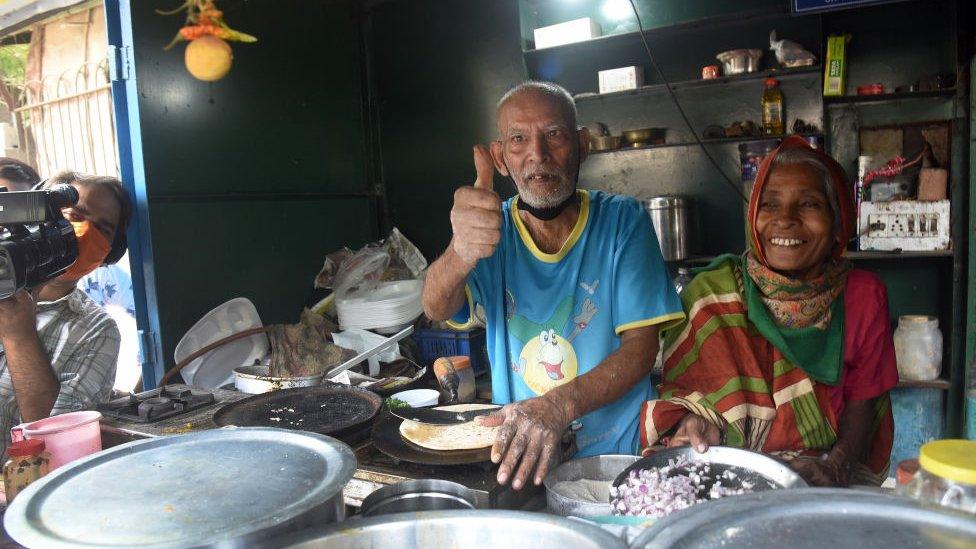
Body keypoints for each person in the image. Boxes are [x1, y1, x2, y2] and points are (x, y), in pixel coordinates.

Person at [423, 81, 683, 490]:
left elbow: (641, 348)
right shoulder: (490, 229)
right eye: (518, 139)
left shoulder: (622, 221)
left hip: (619, 460)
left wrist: (558, 405)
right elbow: (435, 307)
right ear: (500, 158)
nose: (537, 155)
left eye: (554, 135)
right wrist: (460, 252)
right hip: (527, 458)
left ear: (582, 145)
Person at [640, 136, 896, 486]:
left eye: (808, 204)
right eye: (770, 205)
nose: (785, 220)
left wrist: (836, 464)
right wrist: (693, 425)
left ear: (838, 223)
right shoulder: (712, 295)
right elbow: (688, 398)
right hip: (728, 477)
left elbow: (863, 400)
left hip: (821, 477)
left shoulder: (864, 297)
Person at [0, 171, 133, 456]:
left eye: (103, 228)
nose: (84, 232)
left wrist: (19, 336)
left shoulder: (96, 330)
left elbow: (57, 448)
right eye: (73, 215)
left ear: (111, 252)